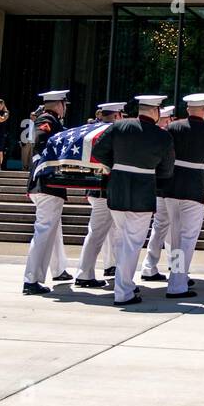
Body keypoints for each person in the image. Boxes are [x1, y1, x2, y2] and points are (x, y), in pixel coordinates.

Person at [89, 95, 175, 304]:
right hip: (142, 192)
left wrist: (117, 164)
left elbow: (98, 151)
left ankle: (124, 284)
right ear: (155, 112)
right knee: (132, 243)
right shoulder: (162, 136)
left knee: (122, 240)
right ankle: (123, 291)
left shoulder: (119, 127)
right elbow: (166, 170)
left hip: (117, 189)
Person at [160, 93, 204, 297]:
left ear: (188, 109)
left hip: (171, 186)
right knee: (188, 237)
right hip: (194, 187)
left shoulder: (172, 128)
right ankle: (178, 283)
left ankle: (177, 277)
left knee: (176, 237)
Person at [22, 90, 71, 294]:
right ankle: (31, 279)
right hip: (47, 183)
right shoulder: (47, 119)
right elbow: (42, 139)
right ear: (59, 104)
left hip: (45, 184)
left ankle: (58, 269)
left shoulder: (50, 120)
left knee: (54, 228)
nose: (65, 107)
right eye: (64, 104)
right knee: (44, 230)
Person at [75, 102, 126, 287]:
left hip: (96, 189)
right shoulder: (113, 133)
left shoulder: (91, 131)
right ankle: (93, 273)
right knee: (115, 234)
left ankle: (88, 271)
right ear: (117, 115)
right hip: (108, 189)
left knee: (97, 233)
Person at [140, 104, 178, 282]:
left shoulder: (155, 134)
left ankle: (150, 266)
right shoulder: (163, 135)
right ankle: (177, 271)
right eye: (167, 119)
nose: (169, 122)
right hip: (171, 187)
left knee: (161, 228)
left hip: (160, 188)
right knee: (176, 230)